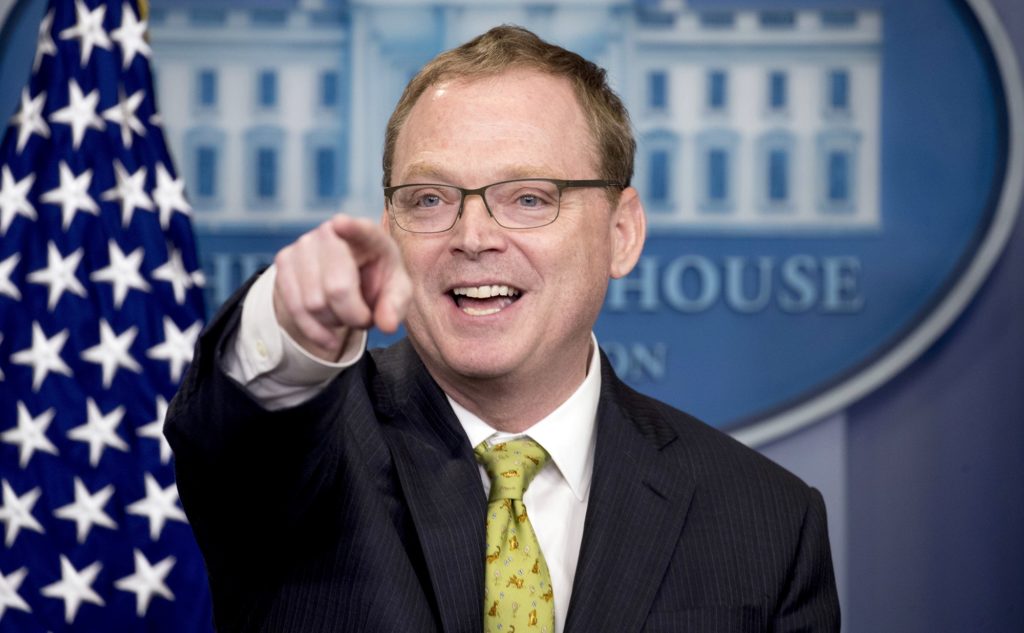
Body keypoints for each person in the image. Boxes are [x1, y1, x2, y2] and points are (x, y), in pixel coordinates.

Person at [166, 25, 840, 633]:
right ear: (390, 222)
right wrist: (290, 323)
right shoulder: (307, 455)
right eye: (429, 199)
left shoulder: (768, 521)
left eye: (528, 198)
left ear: (621, 232)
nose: (474, 236)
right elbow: (236, 432)